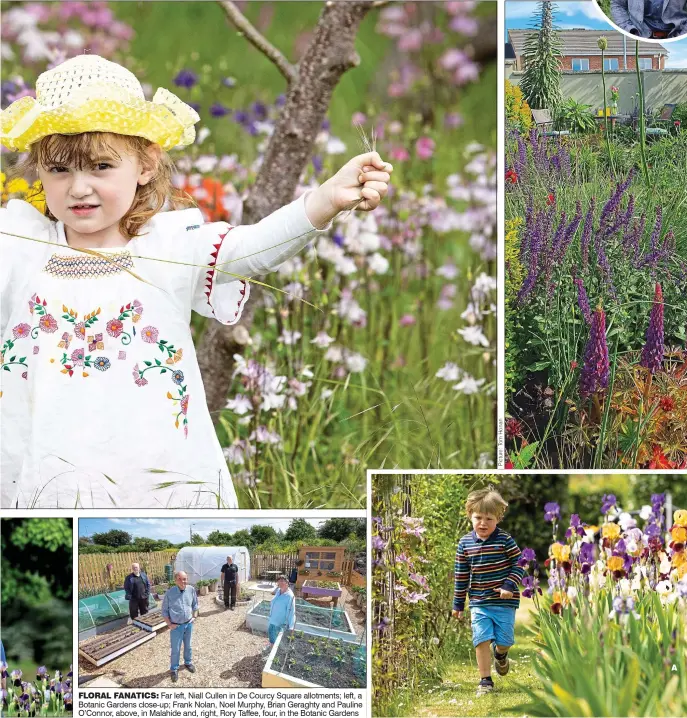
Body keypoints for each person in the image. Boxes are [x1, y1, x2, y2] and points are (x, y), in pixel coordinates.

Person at [0, 54, 393, 509]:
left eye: (101, 167)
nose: (79, 188)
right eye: (60, 169)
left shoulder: (169, 246)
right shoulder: (20, 246)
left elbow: (251, 248)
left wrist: (325, 200)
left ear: (145, 164)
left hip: (151, 473)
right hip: (44, 474)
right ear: (39, 169)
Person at [452, 488, 524, 696]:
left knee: (505, 641)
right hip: (478, 602)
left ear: (498, 518)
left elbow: (520, 563)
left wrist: (509, 585)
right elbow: (461, 575)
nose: (483, 523)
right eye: (478, 518)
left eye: (489, 519)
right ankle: (485, 680)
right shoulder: (465, 544)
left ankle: (500, 655)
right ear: (470, 516)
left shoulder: (504, 540)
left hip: (504, 602)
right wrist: (458, 604)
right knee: (481, 639)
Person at [161, 571, 198, 682]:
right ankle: (174, 669)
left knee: (188, 646)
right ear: (176, 580)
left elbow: (195, 605)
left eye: (185, 579)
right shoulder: (170, 593)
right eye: (181, 579)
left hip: (188, 624)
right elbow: (164, 611)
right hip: (176, 627)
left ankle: (188, 663)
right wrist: (169, 624)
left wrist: (194, 617)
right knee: (175, 649)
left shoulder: (191, 590)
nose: (183, 581)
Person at [610, 0, 687, 38]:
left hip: (676, 32)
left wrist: (686, 32)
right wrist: (628, 28)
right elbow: (617, 3)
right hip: (638, 34)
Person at [264, 575, 295, 654]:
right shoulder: (278, 591)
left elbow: (291, 611)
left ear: (287, 582)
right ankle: (271, 647)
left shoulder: (290, 596)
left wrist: (291, 625)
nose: (280, 582)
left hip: (280, 621)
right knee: (271, 634)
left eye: (282, 581)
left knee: (278, 639)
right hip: (273, 618)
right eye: (279, 581)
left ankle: (275, 652)